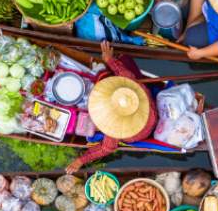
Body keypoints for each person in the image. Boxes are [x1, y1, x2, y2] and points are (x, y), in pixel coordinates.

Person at [65, 41, 158, 174]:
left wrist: (82, 159)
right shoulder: (137, 89)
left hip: (139, 131)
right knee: (124, 60)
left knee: (101, 76)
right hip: (149, 114)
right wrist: (109, 59)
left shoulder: (115, 128)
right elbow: (124, 72)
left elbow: (106, 148)